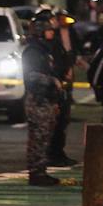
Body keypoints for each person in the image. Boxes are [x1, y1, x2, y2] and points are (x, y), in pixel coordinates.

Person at [23, 10, 65, 186]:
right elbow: (31, 76)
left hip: (46, 100)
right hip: (38, 100)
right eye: (49, 30)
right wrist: (52, 81)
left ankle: (39, 171)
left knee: (43, 137)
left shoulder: (42, 49)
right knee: (39, 138)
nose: (52, 33)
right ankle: (37, 173)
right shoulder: (33, 51)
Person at [46, 8, 79, 167]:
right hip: (54, 87)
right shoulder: (47, 42)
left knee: (62, 121)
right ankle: (51, 155)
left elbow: (69, 55)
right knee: (55, 123)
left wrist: (69, 69)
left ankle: (58, 153)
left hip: (63, 85)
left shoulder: (66, 35)